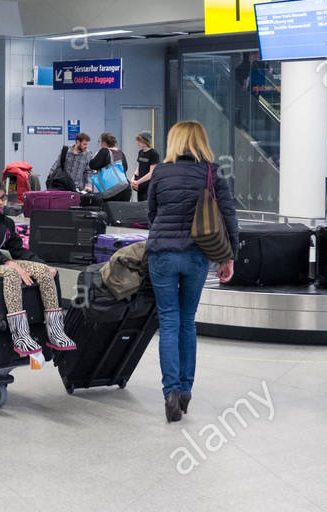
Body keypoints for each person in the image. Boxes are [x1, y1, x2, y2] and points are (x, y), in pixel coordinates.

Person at [146, 121, 239, 422]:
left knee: (168, 322)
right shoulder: (211, 172)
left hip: (162, 254)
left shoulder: (159, 171)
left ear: (174, 141)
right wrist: (230, 257)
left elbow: (151, 212)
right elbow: (228, 215)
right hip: (197, 255)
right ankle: (185, 391)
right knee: (187, 321)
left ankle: (170, 392)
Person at [0, 176, 76, 356]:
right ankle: (20, 335)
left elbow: (18, 249)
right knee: (10, 273)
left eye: (3, 197)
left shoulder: (4, 222)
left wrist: (43, 265)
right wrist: (7, 262)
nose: (1, 202)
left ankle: (55, 331)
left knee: (44, 272)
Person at [88, 132, 132, 201]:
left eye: (100, 142)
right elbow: (125, 168)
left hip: (112, 189)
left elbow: (93, 165)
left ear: (104, 142)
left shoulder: (104, 151)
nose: (100, 144)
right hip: (125, 187)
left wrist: (96, 156)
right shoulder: (120, 152)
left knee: (110, 211)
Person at [129, 131, 160, 203]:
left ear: (145, 141)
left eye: (139, 141)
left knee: (147, 205)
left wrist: (138, 182)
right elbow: (138, 167)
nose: (137, 143)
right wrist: (133, 179)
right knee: (140, 204)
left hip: (149, 185)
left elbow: (151, 173)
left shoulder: (153, 153)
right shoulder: (140, 152)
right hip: (140, 185)